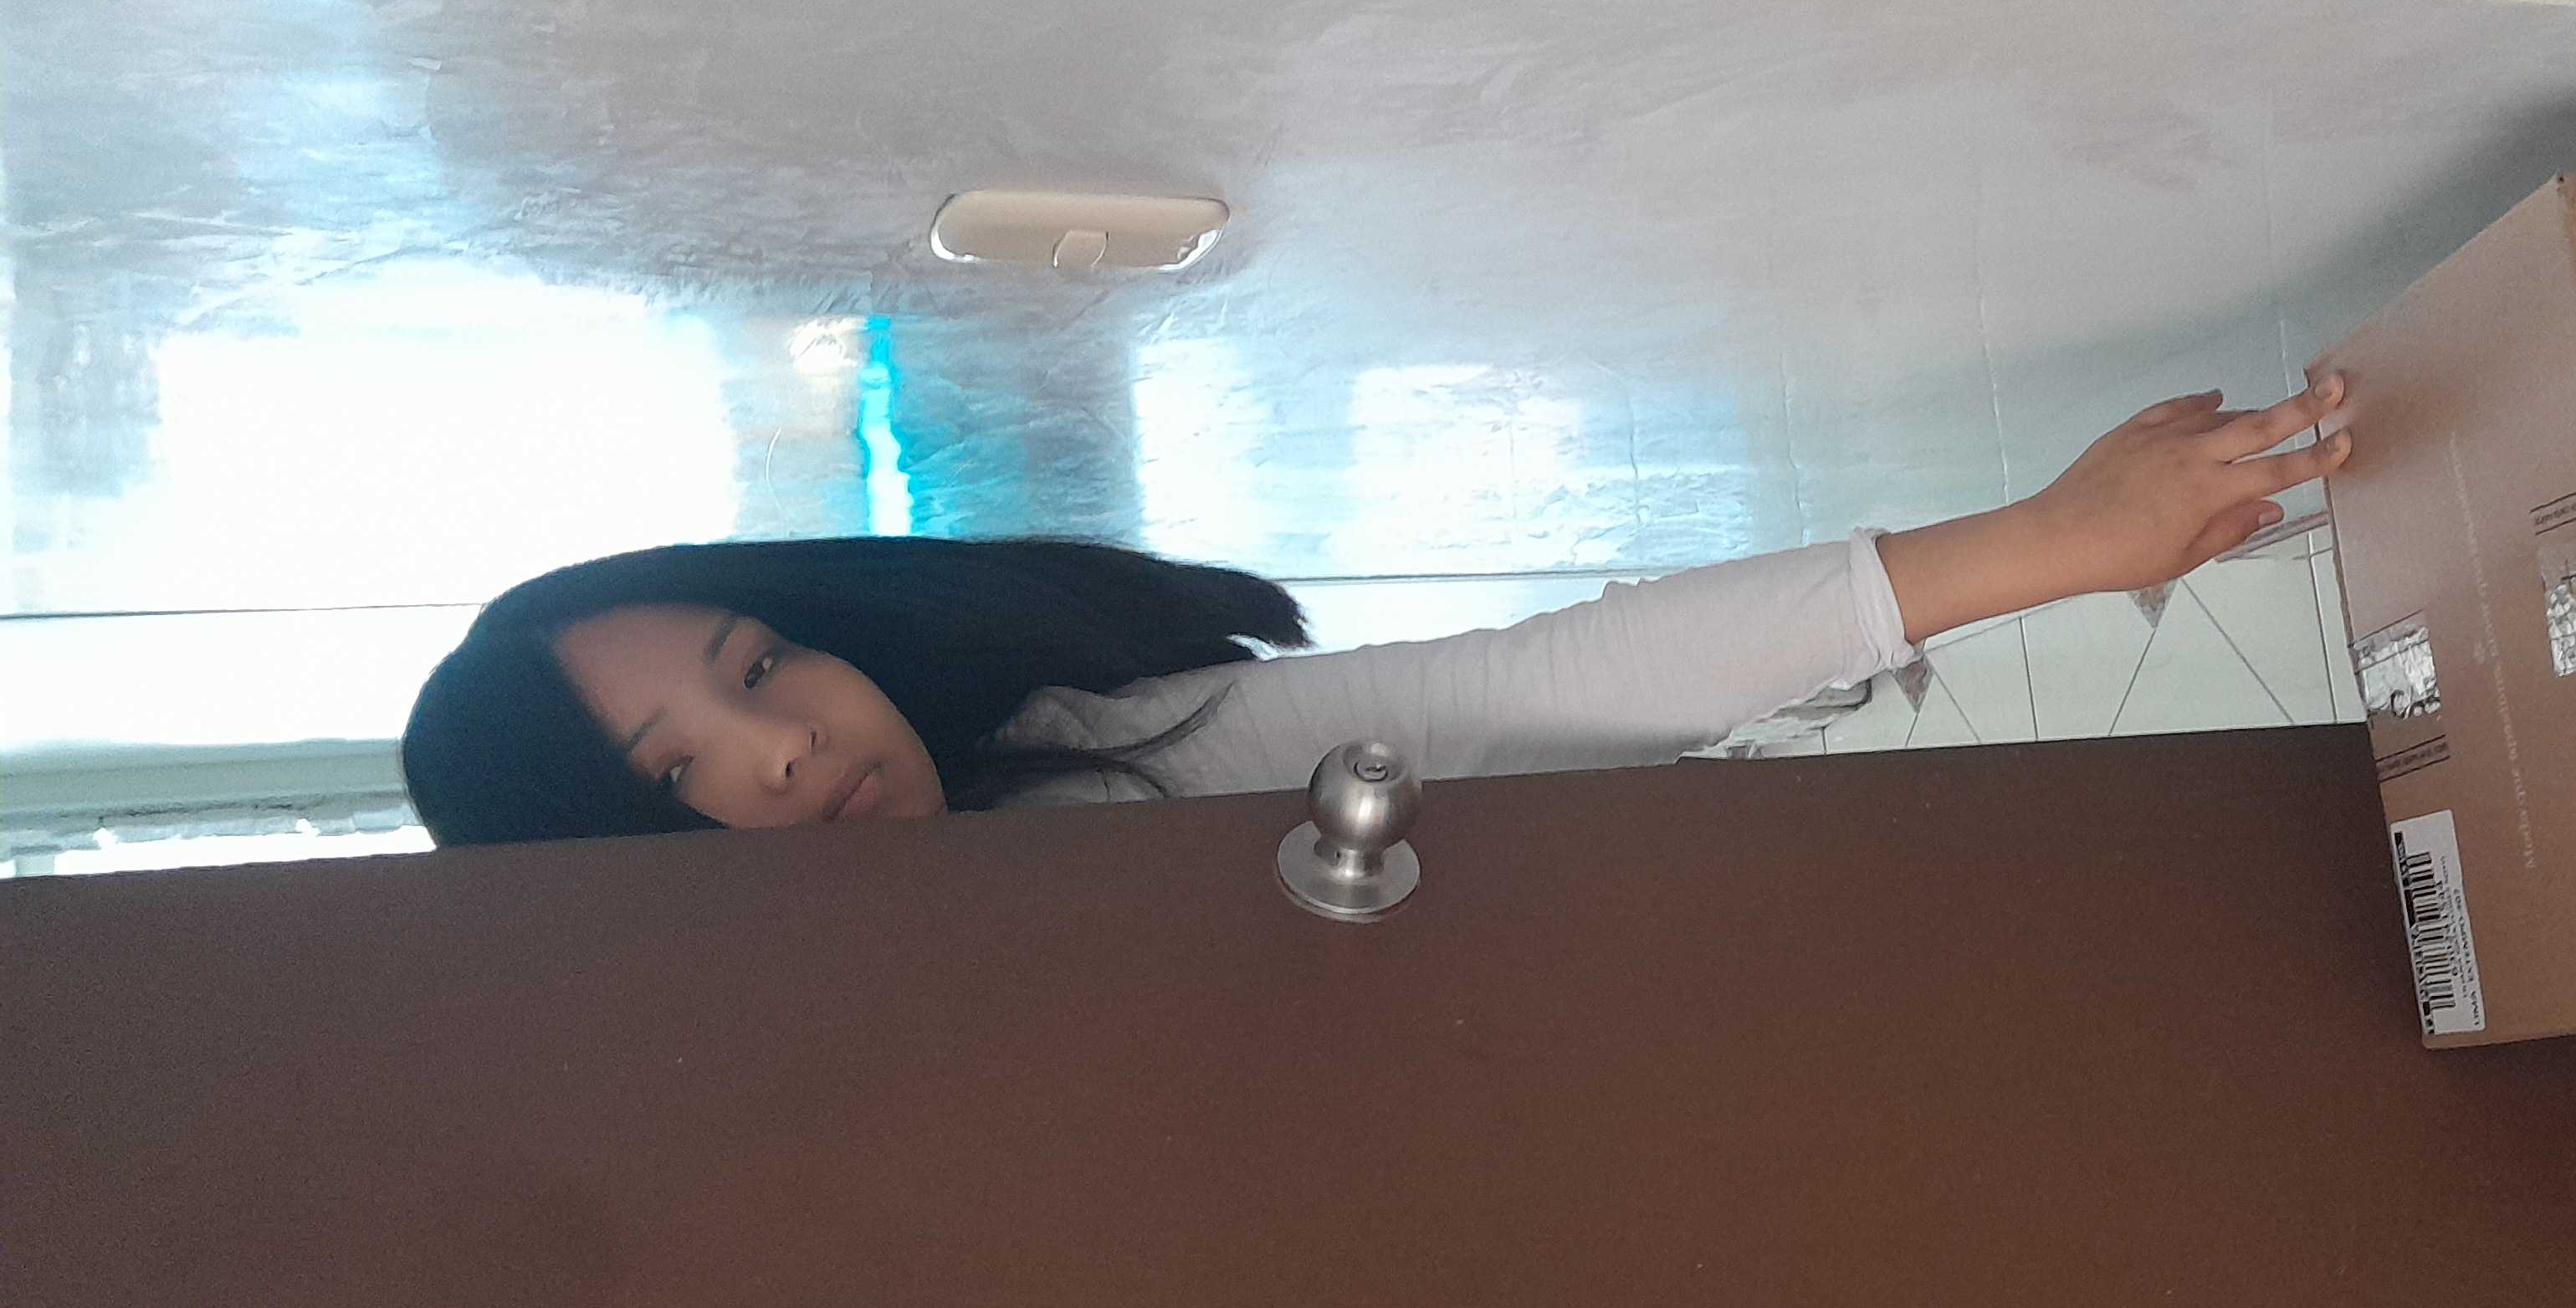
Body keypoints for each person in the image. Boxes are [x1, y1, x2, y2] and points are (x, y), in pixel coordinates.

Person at [400, 377, 2351, 846]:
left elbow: (1526, 689)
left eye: (758, 665)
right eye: (680, 768)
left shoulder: (1095, 763)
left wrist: (2056, 538)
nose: (785, 742)